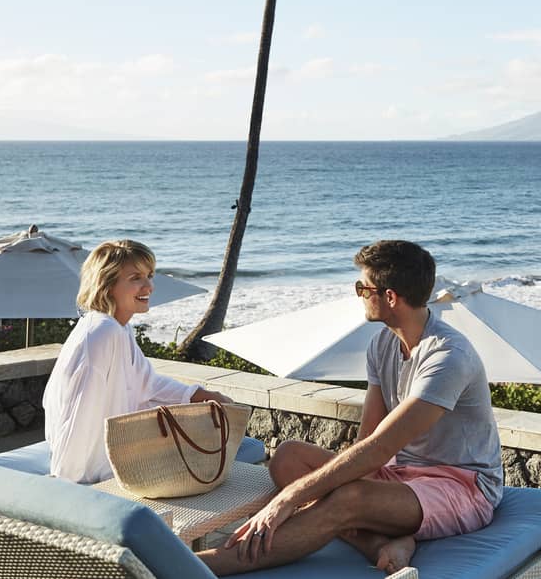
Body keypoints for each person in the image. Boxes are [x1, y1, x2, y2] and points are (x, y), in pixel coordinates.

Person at [201, 240, 503, 576]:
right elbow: (368, 439)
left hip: (459, 486)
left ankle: (203, 565)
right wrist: (318, 486)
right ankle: (385, 542)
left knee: (348, 499)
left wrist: (287, 501)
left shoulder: (447, 357)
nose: (358, 294)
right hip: (399, 475)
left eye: (363, 287)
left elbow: (380, 447)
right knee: (289, 458)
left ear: (390, 297)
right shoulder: (382, 344)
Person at [42, 239, 232, 483]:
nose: (149, 286)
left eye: (149, 276)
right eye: (135, 278)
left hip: (115, 458)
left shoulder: (119, 329)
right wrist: (70, 489)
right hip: (94, 473)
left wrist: (201, 395)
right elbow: (79, 417)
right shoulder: (101, 333)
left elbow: (148, 383)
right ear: (107, 284)